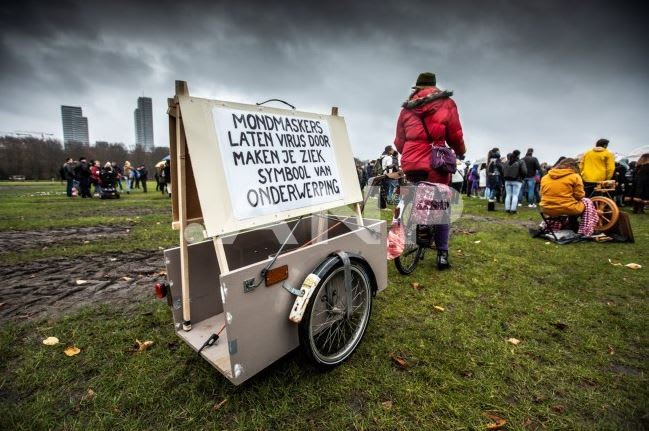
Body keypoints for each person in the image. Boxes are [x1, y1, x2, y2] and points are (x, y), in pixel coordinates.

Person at [394, 72, 466, 270]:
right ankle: (442, 254)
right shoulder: (446, 104)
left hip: (410, 161)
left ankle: (419, 224)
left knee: (418, 192)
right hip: (435, 163)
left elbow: (399, 141)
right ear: (434, 87)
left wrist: (409, 153)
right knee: (440, 207)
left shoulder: (406, 110)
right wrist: (460, 152)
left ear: (416, 89)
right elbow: (455, 135)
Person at [540, 158, 599, 236]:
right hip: (567, 208)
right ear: (572, 167)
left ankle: (568, 224)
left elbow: (541, 194)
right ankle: (585, 229)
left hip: (546, 209)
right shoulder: (575, 176)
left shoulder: (545, 177)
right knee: (587, 201)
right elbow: (580, 196)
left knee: (570, 204)